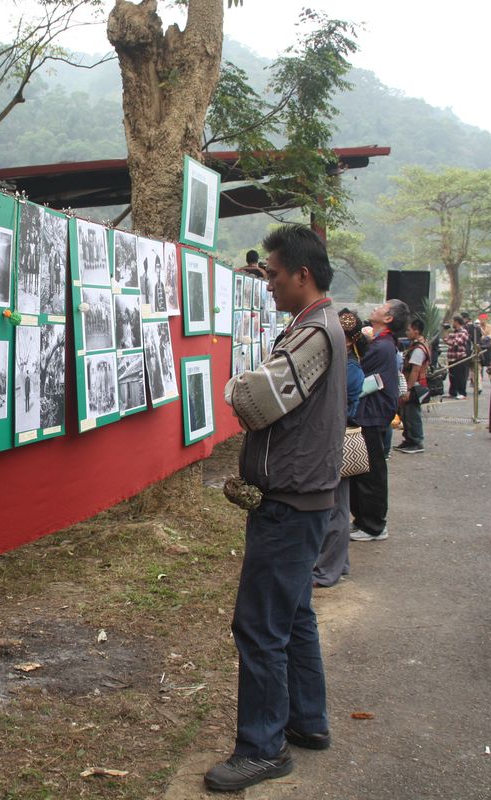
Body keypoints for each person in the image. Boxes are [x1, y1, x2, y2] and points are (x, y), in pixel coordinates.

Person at [208, 224, 345, 792]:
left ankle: (263, 747)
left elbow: (254, 400)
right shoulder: (317, 327)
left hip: (290, 502)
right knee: (293, 615)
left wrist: (235, 384)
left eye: (272, 273)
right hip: (303, 497)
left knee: (260, 625)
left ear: (302, 275)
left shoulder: (314, 333)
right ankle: (306, 723)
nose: (267, 284)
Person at [313, 310, 366, 588]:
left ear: (349, 340)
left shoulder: (350, 368)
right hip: (332, 437)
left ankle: (328, 569)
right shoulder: (344, 364)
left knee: (335, 508)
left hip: (337, 440)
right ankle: (338, 562)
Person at [349, 299, 407, 542]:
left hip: (371, 414)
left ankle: (374, 525)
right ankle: (363, 519)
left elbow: (359, 371)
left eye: (383, 306)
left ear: (388, 318)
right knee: (364, 470)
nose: (377, 307)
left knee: (370, 473)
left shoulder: (382, 347)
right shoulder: (381, 343)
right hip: (369, 413)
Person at [396, 318, 430, 454]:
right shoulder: (418, 345)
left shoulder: (418, 349)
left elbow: (415, 370)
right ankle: (409, 439)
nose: (407, 332)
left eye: (409, 330)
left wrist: (407, 389)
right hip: (413, 385)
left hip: (415, 386)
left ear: (416, 331)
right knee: (406, 414)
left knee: (412, 415)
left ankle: (416, 441)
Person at [444, 315, 470, 399]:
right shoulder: (453, 332)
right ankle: (452, 392)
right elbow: (446, 339)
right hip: (452, 357)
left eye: (453, 321)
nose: (452, 323)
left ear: (457, 322)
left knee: (460, 376)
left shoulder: (464, 331)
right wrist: (446, 331)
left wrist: (449, 341)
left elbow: (457, 342)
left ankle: (462, 393)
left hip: (460, 357)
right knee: (452, 376)